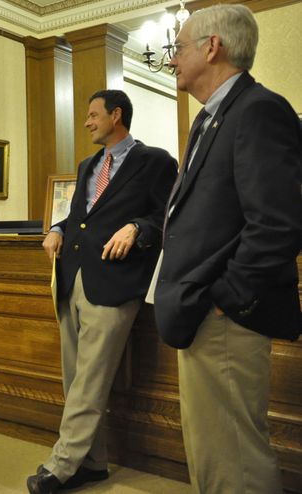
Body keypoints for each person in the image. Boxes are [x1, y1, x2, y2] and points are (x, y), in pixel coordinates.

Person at [153, 5, 302, 492]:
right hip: (201, 311)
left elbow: (278, 224)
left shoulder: (258, 109)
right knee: (212, 450)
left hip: (225, 318)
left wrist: (226, 299)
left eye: (178, 48)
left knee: (234, 458)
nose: (172, 60)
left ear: (211, 47)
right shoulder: (209, 120)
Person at [27, 89, 177, 494]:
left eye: (94, 115)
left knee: (90, 380)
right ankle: (92, 464)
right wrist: (56, 230)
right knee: (75, 377)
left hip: (116, 282)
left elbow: (168, 218)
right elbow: (79, 216)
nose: (88, 122)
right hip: (71, 278)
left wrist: (138, 229)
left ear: (117, 115)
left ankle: (62, 464)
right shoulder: (88, 163)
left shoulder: (156, 161)